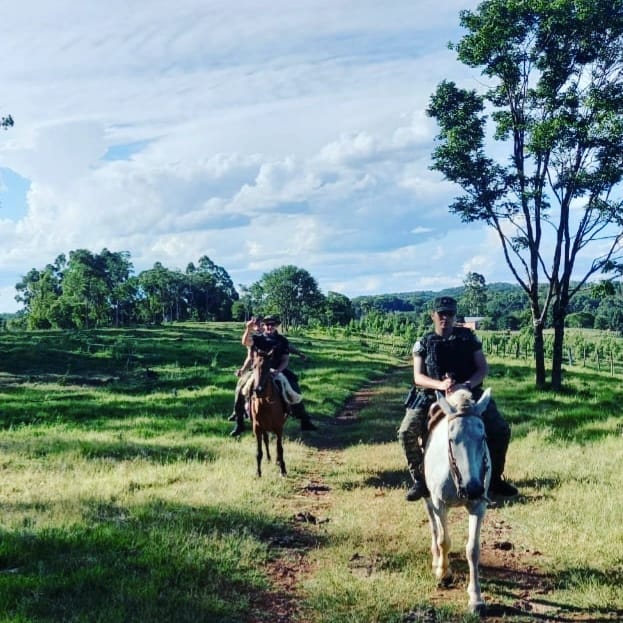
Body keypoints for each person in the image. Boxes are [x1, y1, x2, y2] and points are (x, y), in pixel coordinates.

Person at [398, 296, 519, 501]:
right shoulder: (423, 343)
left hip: (467, 393)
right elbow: (418, 377)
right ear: (433, 315)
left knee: (500, 430)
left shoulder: (469, 339)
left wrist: (467, 384)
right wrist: (440, 385)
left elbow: (482, 369)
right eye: (441, 313)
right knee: (405, 432)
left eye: (450, 314)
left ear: (455, 315)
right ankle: (420, 480)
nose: (445, 317)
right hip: (432, 394)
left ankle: (495, 479)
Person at [230, 315, 317, 436]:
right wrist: (248, 329)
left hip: (276, 371)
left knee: (293, 389)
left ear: (276, 325)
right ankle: (239, 422)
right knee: (241, 388)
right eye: (266, 324)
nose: (269, 327)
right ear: (263, 326)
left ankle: (304, 419)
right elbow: (245, 342)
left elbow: (285, 359)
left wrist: (278, 371)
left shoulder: (282, 341)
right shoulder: (257, 338)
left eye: (272, 324)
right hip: (258, 371)